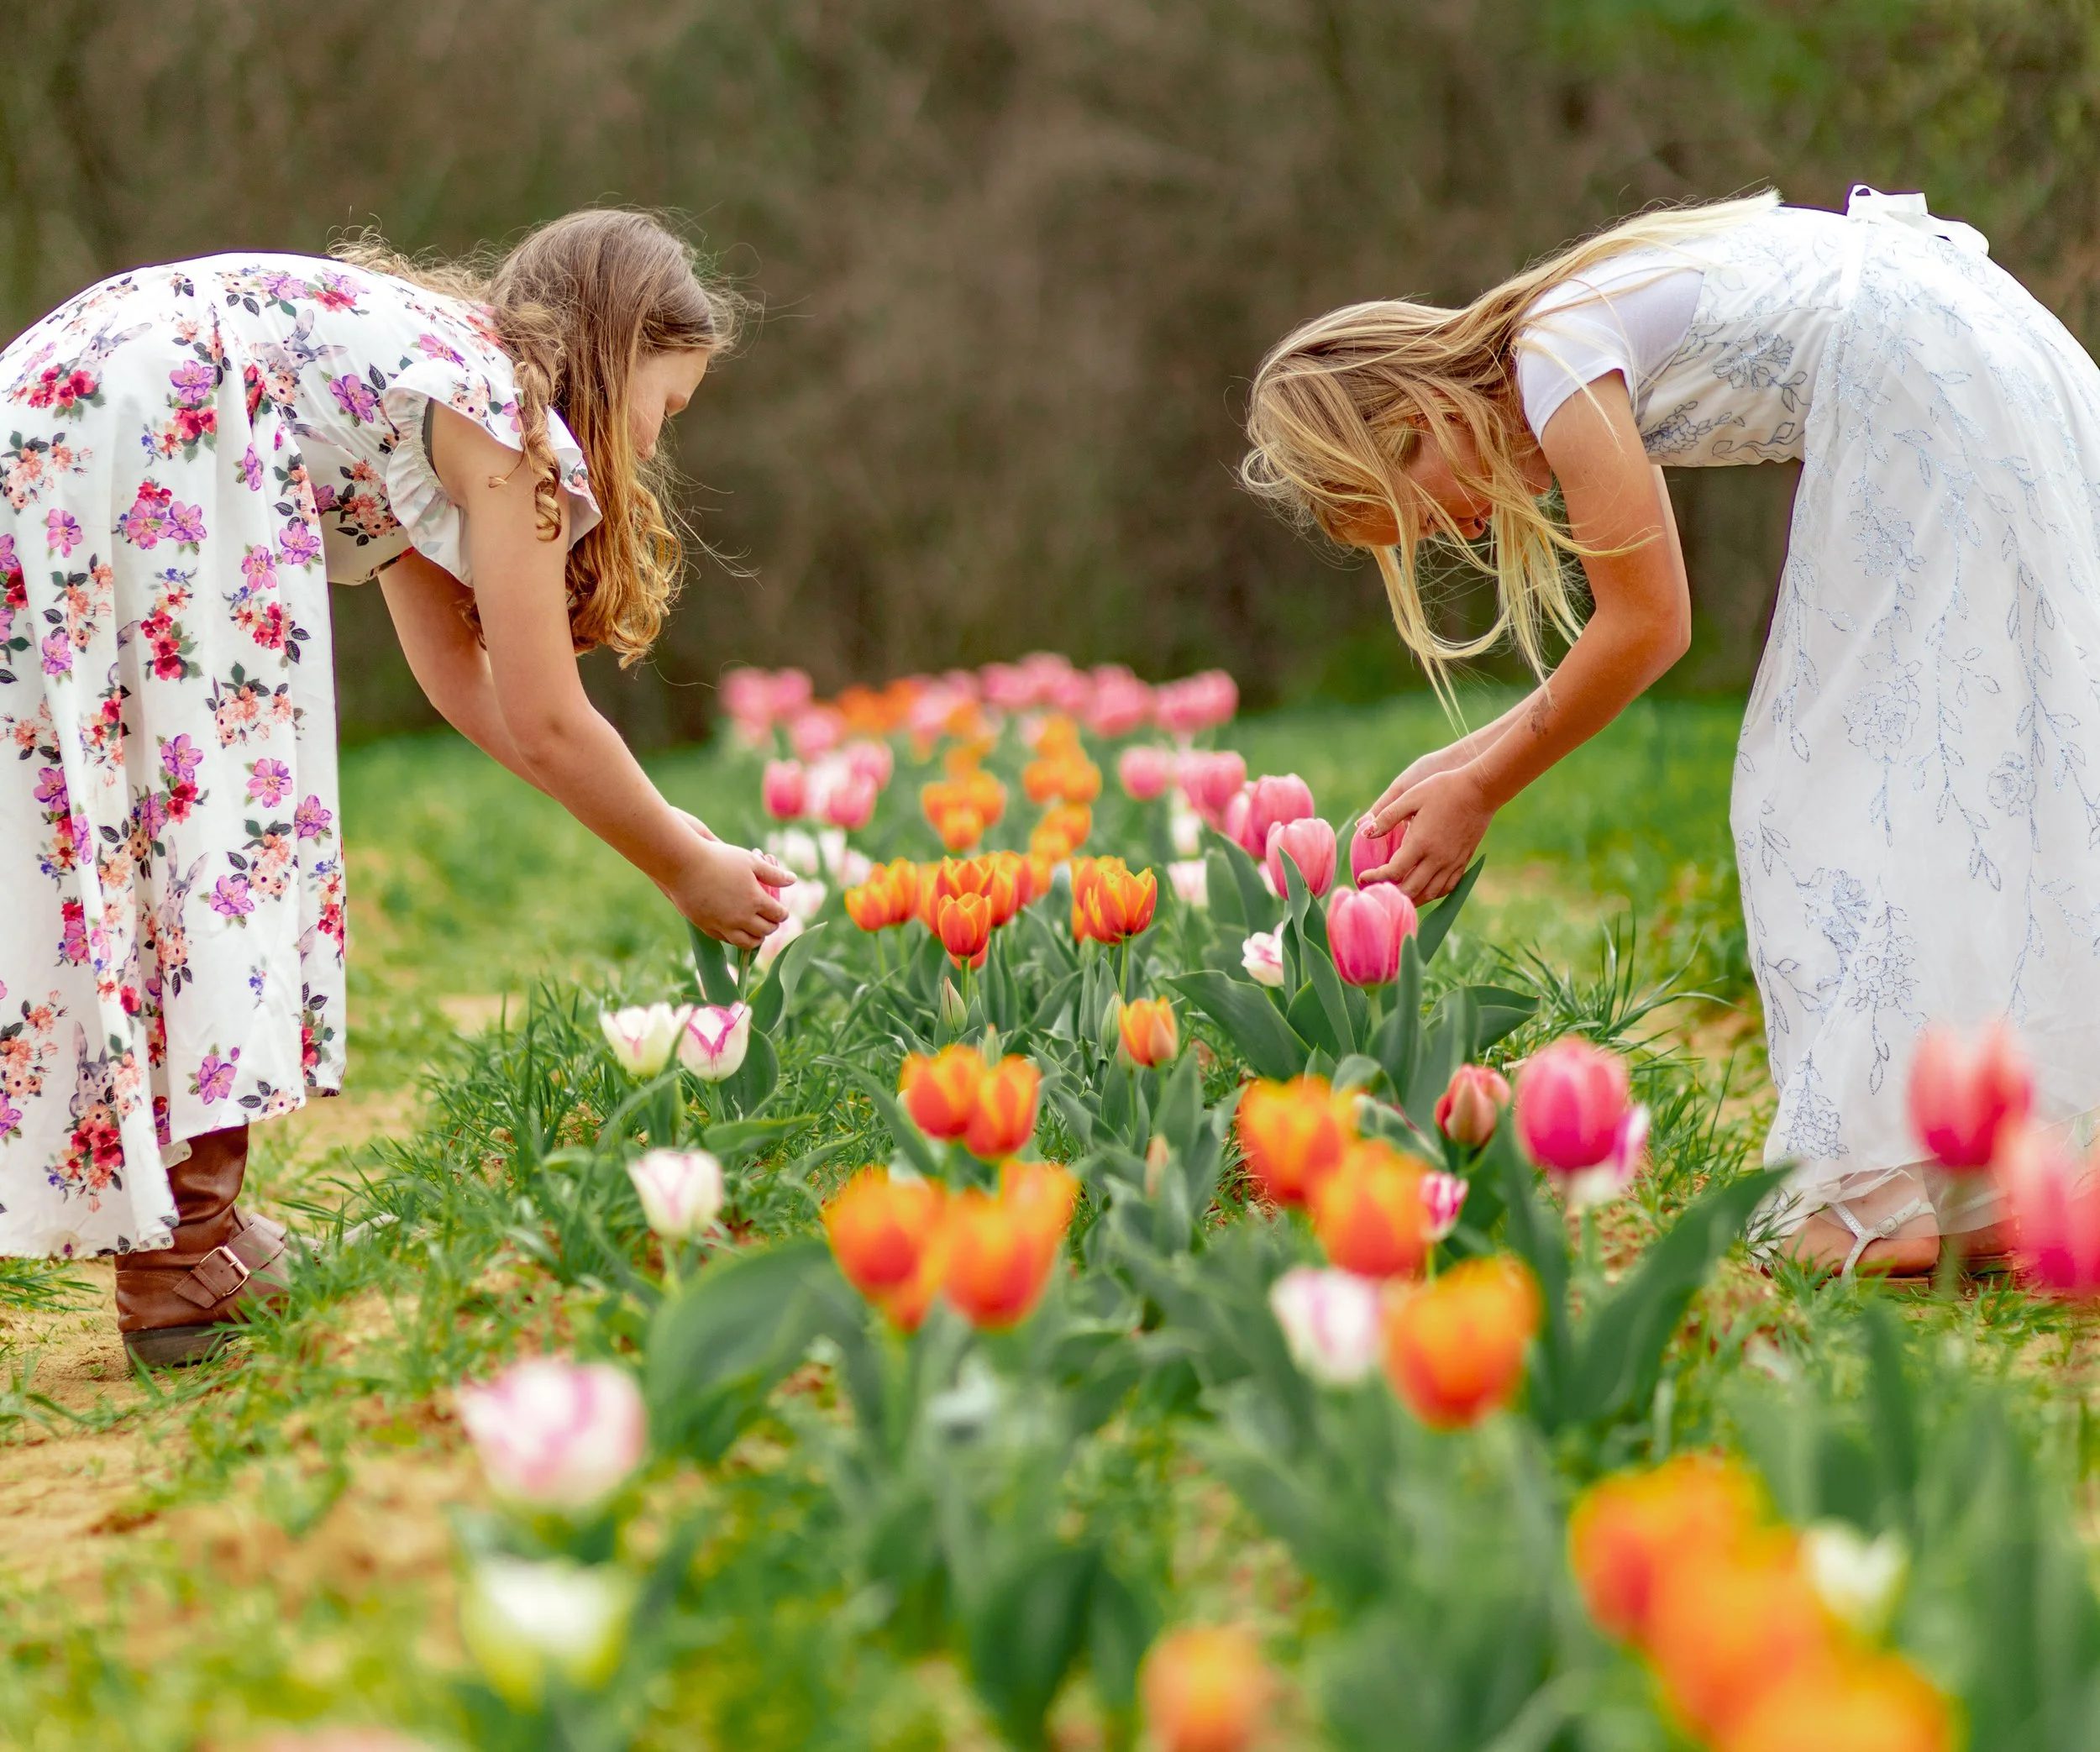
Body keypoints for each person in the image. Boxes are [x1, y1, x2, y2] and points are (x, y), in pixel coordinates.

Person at [1241, 187, 2100, 1277]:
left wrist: (1485, 788)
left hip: (1922, 373)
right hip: (1958, 343)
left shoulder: (1553, 360)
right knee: (1944, 759)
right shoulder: (1555, 335)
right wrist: (1454, 766)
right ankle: (1966, 1168)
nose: (1449, 532)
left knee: (1836, 781)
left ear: (1415, 419)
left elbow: (1649, 624)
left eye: (1416, 508)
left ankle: (1879, 1193)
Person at [0, 210, 792, 1361]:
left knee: (102, 816)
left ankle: (187, 1234)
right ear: (617, 356)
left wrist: (670, 827)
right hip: (157, 420)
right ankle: (186, 1262)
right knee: (221, 812)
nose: (654, 449)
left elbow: (471, 686)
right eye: (664, 409)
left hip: (54, 400)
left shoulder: (431, 377)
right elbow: (553, 718)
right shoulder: (511, 429)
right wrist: (687, 866)